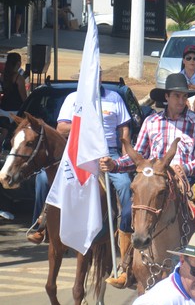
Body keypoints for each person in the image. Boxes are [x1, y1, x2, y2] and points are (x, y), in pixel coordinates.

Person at [27, 84, 133, 254]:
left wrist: (125, 158)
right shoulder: (72, 99)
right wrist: (87, 125)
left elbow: (124, 130)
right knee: (42, 179)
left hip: (108, 152)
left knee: (125, 185)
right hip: (78, 150)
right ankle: (40, 226)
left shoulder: (114, 98)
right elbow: (61, 128)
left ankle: (125, 231)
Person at [100, 73, 195, 216]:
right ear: (167, 97)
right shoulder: (151, 121)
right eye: (177, 96)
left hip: (188, 181)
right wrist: (115, 165)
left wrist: (186, 168)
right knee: (126, 215)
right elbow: (139, 155)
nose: (181, 101)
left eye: (184, 97)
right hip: (154, 181)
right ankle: (124, 238)